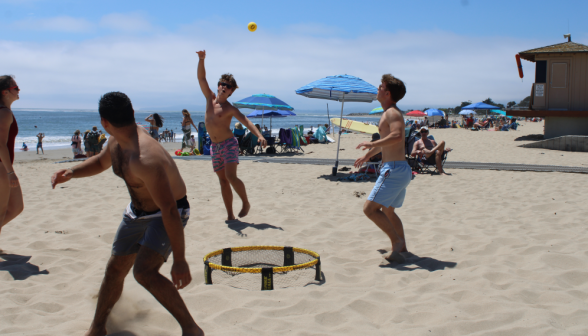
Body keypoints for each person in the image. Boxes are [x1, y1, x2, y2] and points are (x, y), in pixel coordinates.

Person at [51, 92, 203, 336]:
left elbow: (170, 210)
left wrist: (180, 260)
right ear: (131, 113)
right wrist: (72, 171)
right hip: (136, 211)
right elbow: (101, 162)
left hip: (169, 212)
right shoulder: (114, 141)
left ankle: (191, 329)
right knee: (115, 269)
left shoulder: (145, 158)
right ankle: (97, 328)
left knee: (144, 272)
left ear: (104, 122)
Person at [196, 49, 266, 220]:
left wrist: (259, 135)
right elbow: (201, 78)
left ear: (231, 91)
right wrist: (202, 59)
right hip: (214, 146)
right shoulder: (209, 99)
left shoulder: (230, 108)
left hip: (228, 144)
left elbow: (246, 121)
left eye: (227, 86)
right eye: (221, 83)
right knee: (222, 181)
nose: (223, 87)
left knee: (230, 176)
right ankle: (230, 215)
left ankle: (246, 202)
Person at [354, 74, 411, 264]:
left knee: (369, 209)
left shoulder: (392, 113)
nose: (377, 89)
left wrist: (372, 144)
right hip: (399, 168)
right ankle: (401, 247)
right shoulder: (388, 113)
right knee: (388, 211)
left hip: (393, 169)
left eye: (380, 87)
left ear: (387, 93)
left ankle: (396, 242)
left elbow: (397, 136)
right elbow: (386, 143)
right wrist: (368, 156)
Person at [0, 75, 24, 237]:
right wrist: (9, 172)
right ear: (5, 92)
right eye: (15, 88)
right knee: (2, 211)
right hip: (2, 167)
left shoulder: (5, 111)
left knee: (16, 207)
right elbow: (0, 143)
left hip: (4, 166)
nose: (19, 90)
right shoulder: (4, 113)